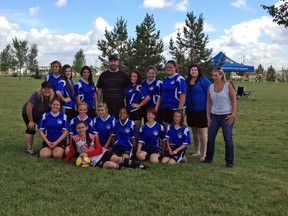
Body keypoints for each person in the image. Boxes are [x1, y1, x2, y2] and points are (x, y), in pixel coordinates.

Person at [65, 121, 148, 170]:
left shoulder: (92, 137)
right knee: (110, 165)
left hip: (102, 153)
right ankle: (123, 166)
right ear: (76, 129)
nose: (81, 130)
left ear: (86, 128)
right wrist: (66, 161)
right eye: (79, 128)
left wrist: (87, 154)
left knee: (117, 158)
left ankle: (138, 165)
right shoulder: (74, 139)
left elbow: (100, 150)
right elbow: (72, 151)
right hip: (94, 160)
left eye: (83, 127)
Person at [204, 68, 237, 168]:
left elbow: (234, 100)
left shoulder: (228, 86)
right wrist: (208, 115)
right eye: (212, 76)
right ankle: (208, 158)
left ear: (221, 75)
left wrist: (233, 114)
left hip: (226, 115)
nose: (214, 77)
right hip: (214, 115)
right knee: (210, 137)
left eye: (216, 75)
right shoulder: (210, 86)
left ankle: (229, 161)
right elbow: (208, 102)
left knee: (227, 138)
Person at [185, 64, 211, 161]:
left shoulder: (203, 80)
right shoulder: (187, 81)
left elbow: (209, 92)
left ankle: (204, 154)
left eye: (195, 70)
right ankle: (197, 151)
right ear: (189, 71)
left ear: (198, 71)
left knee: (202, 132)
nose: (194, 71)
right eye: (192, 70)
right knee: (194, 131)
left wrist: (210, 107)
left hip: (201, 110)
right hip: (190, 110)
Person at [22, 81, 55, 155]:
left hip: (41, 114)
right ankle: (29, 148)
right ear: (41, 89)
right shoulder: (37, 95)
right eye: (44, 88)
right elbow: (28, 107)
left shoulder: (52, 96)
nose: (47, 90)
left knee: (46, 128)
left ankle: (45, 145)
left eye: (48, 88)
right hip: (28, 112)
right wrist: (31, 121)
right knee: (31, 128)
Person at [157, 60, 187, 129]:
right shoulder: (165, 79)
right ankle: (167, 140)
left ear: (175, 68)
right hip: (165, 108)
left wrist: (179, 110)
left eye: (170, 67)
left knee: (176, 128)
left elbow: (183, 95)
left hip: (175, 109)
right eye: (167, 67)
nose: (168, 69)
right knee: (166, 128)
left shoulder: (179, 79)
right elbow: (162, 94)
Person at [126, 70, 150, 141]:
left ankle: (136, 150)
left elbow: (147, 98)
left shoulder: (138, 87)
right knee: (130, 132)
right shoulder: (129, 87)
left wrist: (139, 105)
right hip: (129, 112)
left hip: (136, 112)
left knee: (136, 132)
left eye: (135, 77)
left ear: (138, 78)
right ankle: (131, 149)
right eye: (132, 76)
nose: (133, 78)